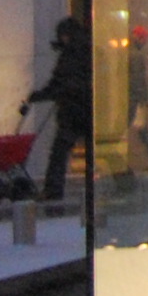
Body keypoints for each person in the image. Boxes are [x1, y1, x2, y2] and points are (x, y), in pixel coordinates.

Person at [29, 14, 93, 203]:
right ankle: (124, 180)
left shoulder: (71, 55)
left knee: (59, 152)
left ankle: (53, 191)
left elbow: (62, 83)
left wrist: (43, 95)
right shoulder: (85, 51)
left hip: (73, 112)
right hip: (84, 111)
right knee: (97, 150)